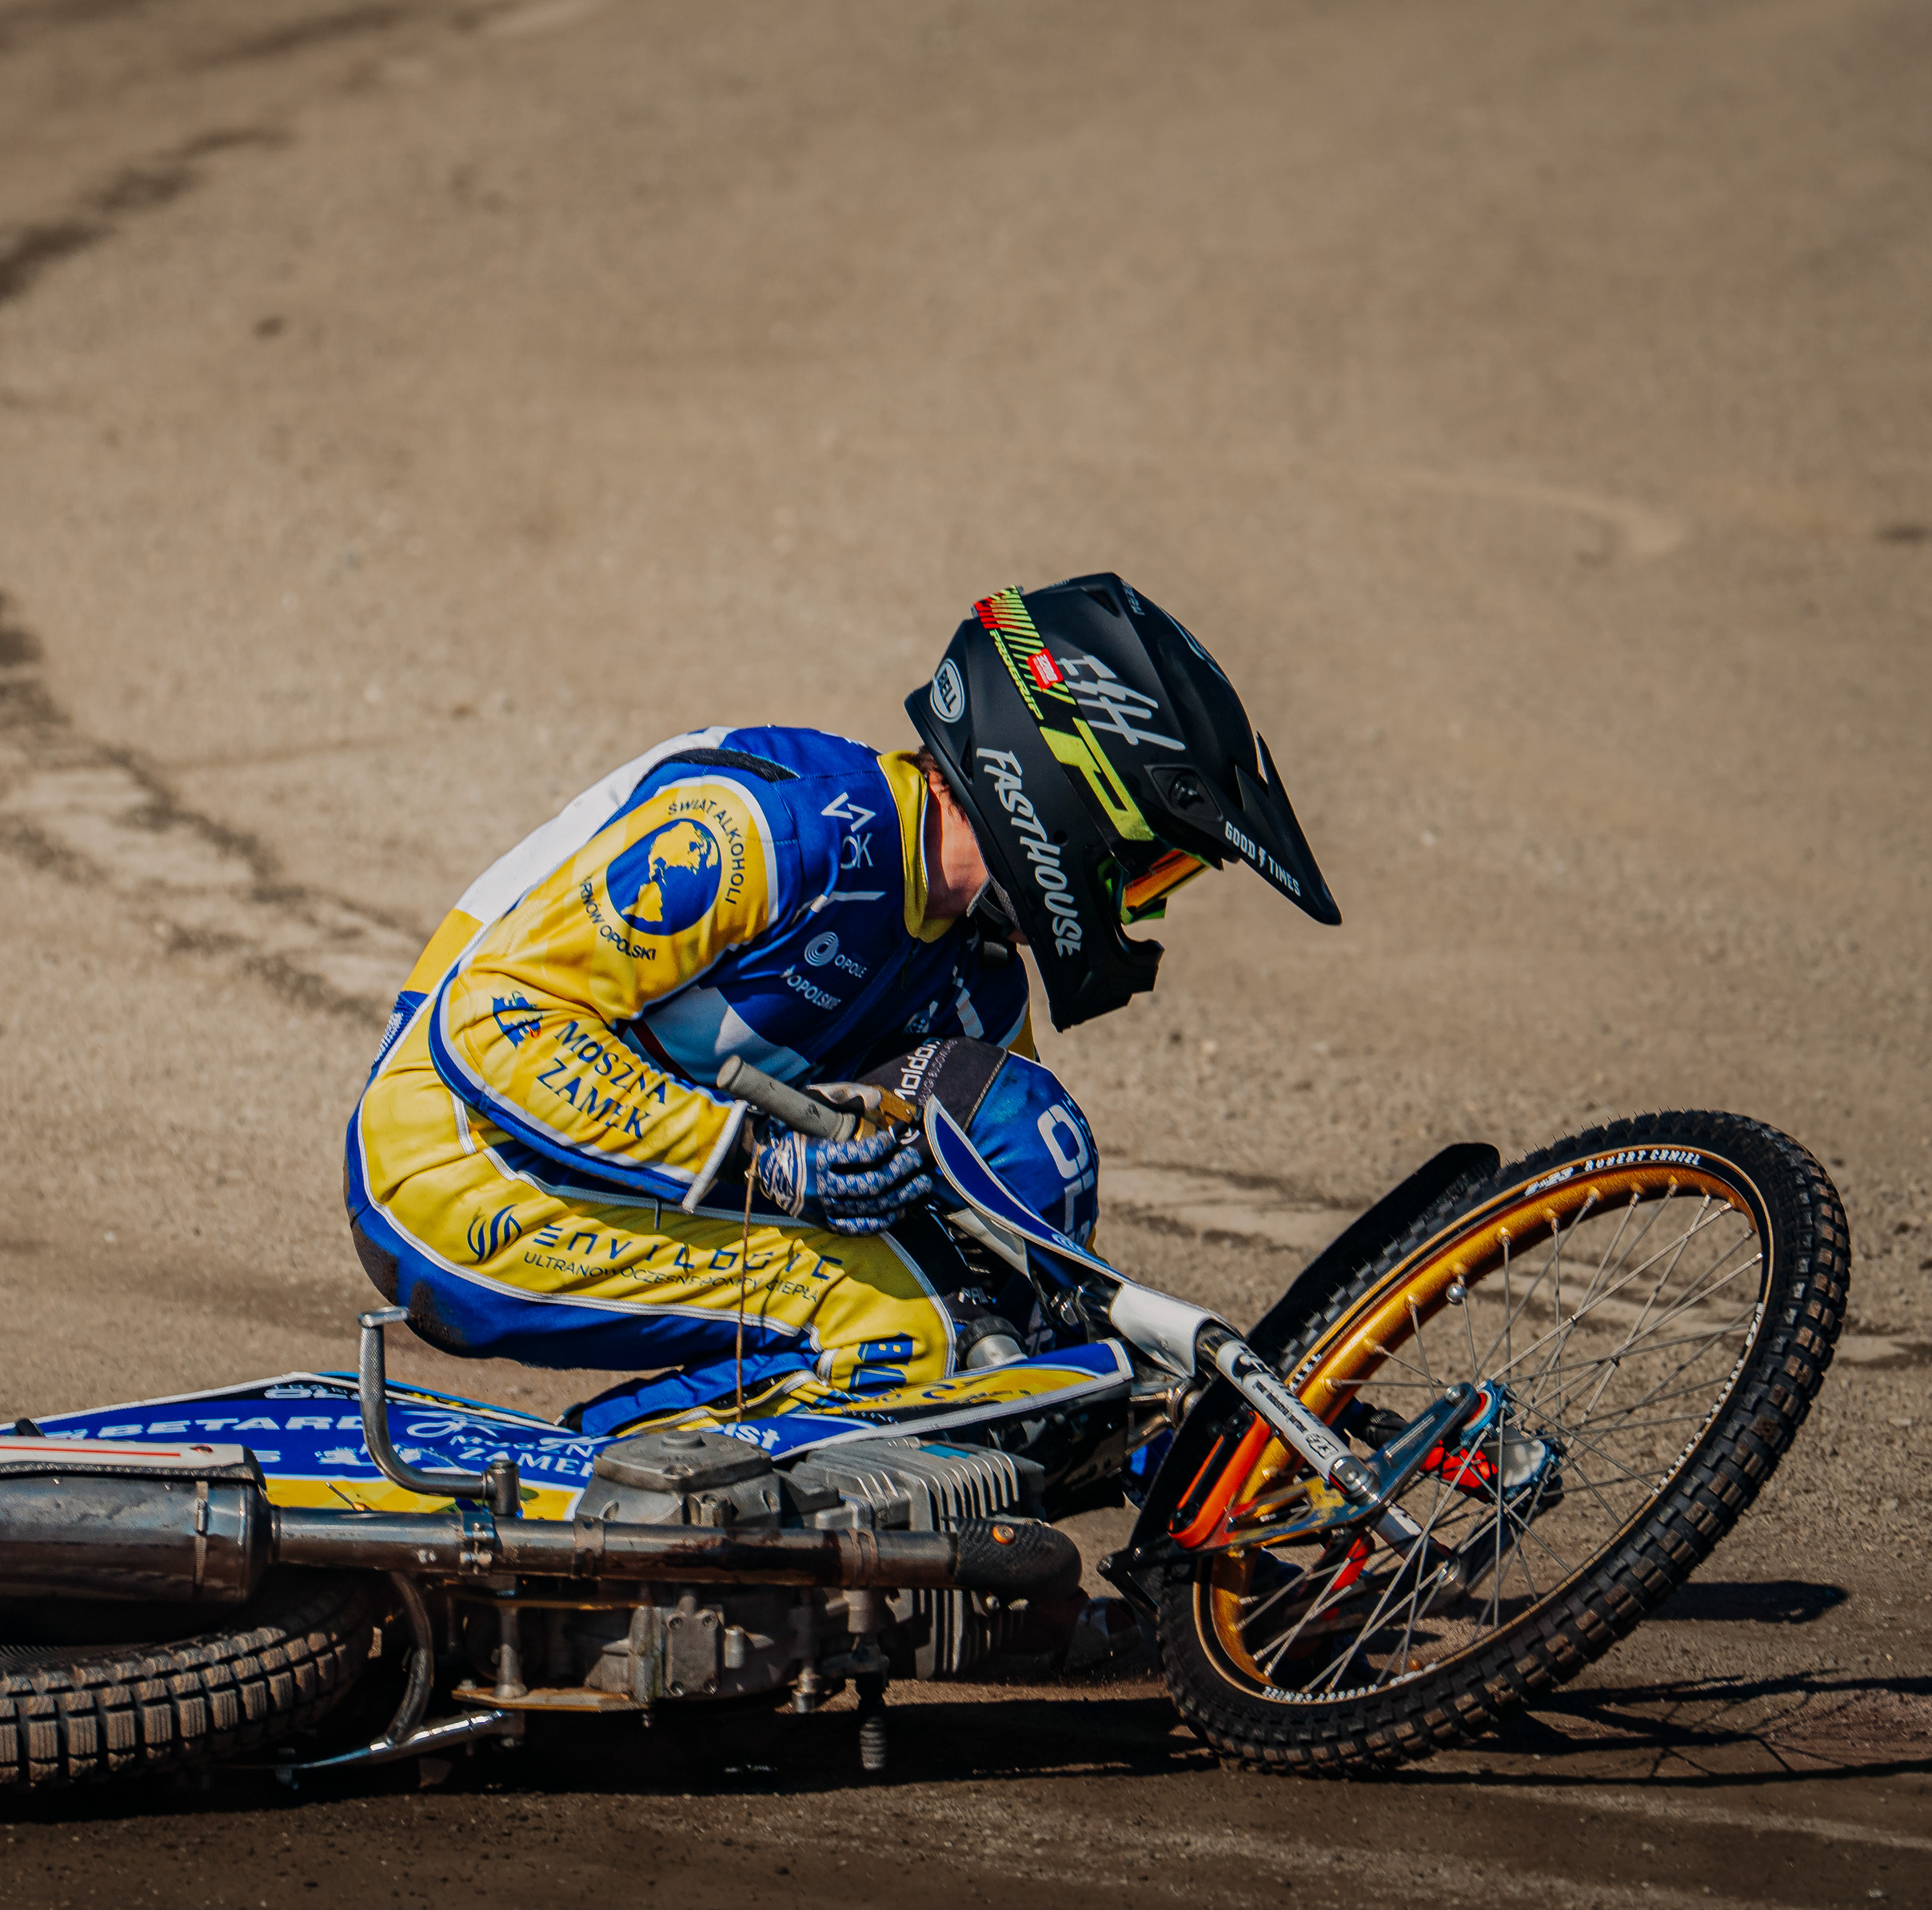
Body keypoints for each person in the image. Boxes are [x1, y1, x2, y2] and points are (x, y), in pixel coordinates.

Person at [344, 574, 1339, 1429]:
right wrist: (759, 1158)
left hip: (622, 1175)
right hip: (455, 1159)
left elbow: (1013, 1219)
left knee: (1027, 1162)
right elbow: (492, 1023)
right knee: (902, 1328)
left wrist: (1137, 1378)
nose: (1143, 905)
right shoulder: (778, 833)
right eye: (1150, 867)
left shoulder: (974, 973)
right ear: (1064, 795)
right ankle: (595, 1492)